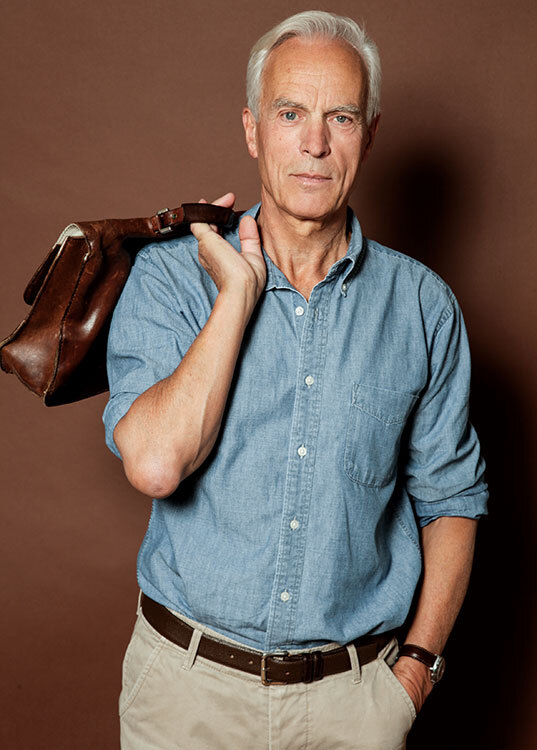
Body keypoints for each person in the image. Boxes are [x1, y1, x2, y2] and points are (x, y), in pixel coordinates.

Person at [102, 10, 489, 749]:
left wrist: (414, 671)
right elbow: (153, 464)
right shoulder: (169, 279)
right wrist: (236, 296)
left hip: (352, 706)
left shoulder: (423, 307)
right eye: (289, 114)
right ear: (253, 131)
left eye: (340, 117)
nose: (314, 143)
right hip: (185, 697)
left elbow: (451, 499)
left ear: (369, 135)